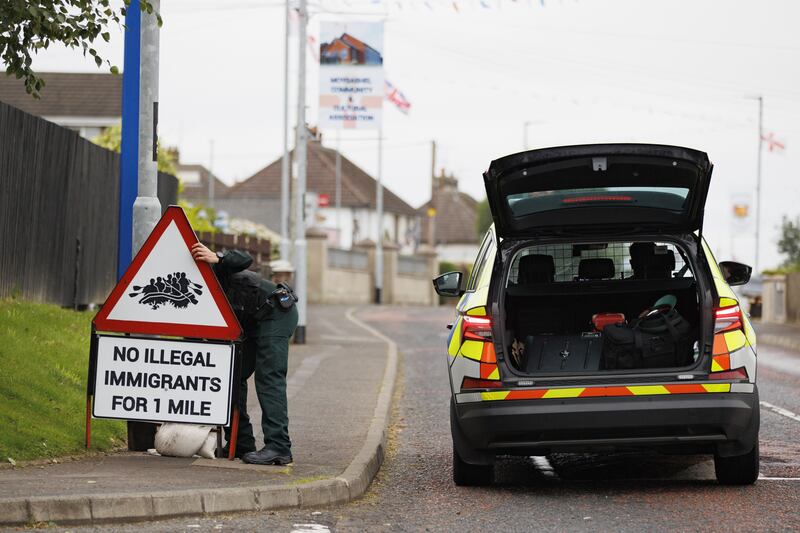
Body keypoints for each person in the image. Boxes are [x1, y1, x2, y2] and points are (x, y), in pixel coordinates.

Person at [191, 242, 298, 465]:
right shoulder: (190, 292)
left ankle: (278, 447)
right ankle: (241, 445)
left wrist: (217, 257)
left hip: (276, 312)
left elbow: (244, 259)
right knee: (230, 377)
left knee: (268, 377)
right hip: (251, 325)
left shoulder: (212, 269)